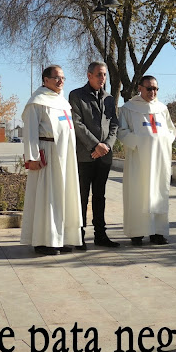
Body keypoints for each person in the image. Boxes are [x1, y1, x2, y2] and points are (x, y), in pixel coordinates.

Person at [20, 65, 82, 255]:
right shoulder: (37, 102)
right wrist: (33, 157)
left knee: (63, 197)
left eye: (63, 77)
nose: (60, 81)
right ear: (45, 80)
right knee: (46, 198)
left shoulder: (63, 102)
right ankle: (43, 241)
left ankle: (60, 238)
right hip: (47, 155)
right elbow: (30, 131)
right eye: (56, 78)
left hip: (66, 157)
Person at [118, 75, 176, 246]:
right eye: (149, 88)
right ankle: (137, 233)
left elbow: (171, 130)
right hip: (139, 160)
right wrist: (139, 142)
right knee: (138, 194)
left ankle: (157, 233)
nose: (153, 92)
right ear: (140, 88)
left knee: (159, 193)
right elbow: (121, 130)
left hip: (159, 159)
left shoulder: (162, 108)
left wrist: (164, 140)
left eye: (156, 89)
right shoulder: (128, 108)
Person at [69, 61, 119, 249]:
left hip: (104, 156)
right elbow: (77, 123)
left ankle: (101, 235)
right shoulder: (76, 96)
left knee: (100, 196)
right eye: (99, 75)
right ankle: (79, 235)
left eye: (104, 75)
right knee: (82, 196)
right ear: (89, 75)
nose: (102, 78)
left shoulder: (109, 98)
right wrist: (95, 145)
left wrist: (106, 145)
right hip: (85, 155)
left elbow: (114, 124)